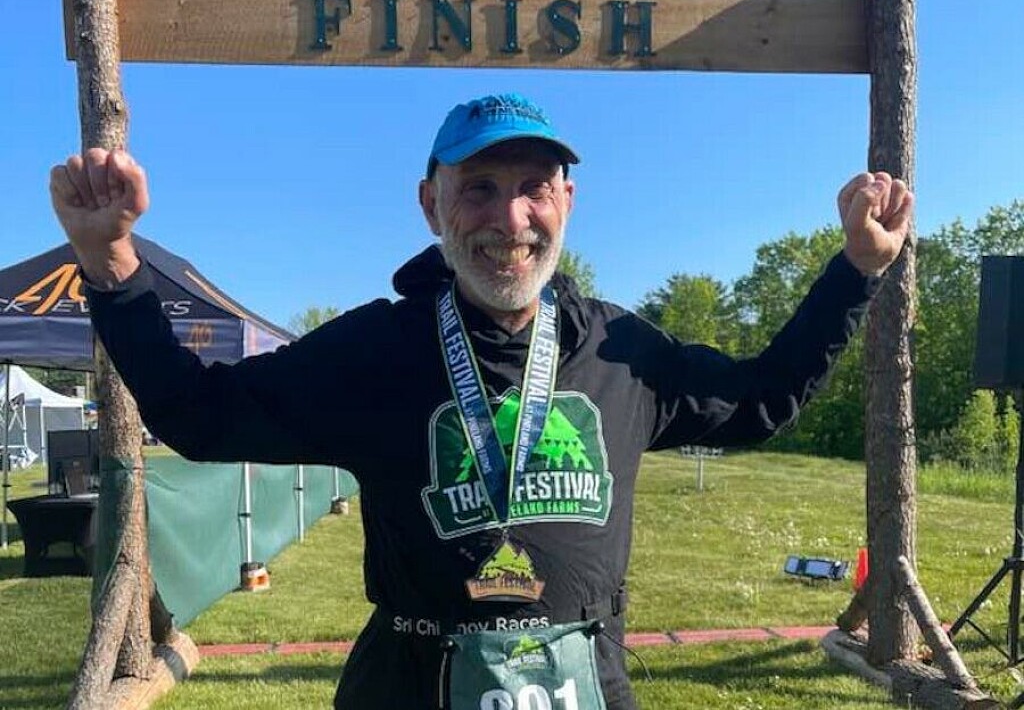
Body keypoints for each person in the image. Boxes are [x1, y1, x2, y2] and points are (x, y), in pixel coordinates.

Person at [50, 92, 913, 709]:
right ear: (432, 205)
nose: (511, 217)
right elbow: (200, 416)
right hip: (411, 685)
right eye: (480, 188)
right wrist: (113, 266)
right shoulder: (376, 352)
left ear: (567, 200)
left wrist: (856, 273)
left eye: (535, 185)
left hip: (587, 682)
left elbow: (758, 401)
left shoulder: (619, 350)